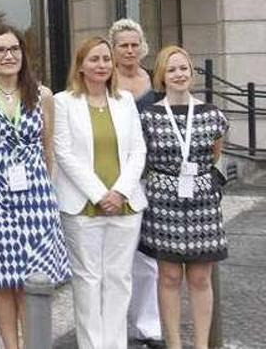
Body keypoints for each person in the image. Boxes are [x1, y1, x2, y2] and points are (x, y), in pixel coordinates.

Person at [0, 25, 72, 349]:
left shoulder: (43, 95)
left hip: (36, 197)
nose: (7, 56)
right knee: (1, 283)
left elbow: (47, 148)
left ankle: (34, 344)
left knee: (32, 281)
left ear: (23, 55)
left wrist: (39, 185)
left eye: (13, 49)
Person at [52, 37, 148, 349]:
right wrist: (99, 194)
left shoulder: (125, 101)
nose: (102, 65)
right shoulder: (63, 101)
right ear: (80, 65)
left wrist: (119, 192)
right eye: (94, 59)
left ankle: (115, 344)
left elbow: (138, 150)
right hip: (83, 207)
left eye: (106, 59)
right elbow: (63, 153)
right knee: (88, 281)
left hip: (125, 206)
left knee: (119, 279)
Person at [138, 46, 229, 349]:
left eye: (184, 68)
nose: (179, 74)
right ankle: (174, 344)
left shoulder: (212, 113)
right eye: (172, 69)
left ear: (192, 72)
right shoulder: (149, 116)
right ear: (161, 75)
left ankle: (202, 345)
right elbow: (143, 158)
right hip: (163, 201)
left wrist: (212, 183)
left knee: (201, 277)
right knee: (169, 276)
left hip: (202, 201)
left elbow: (216, 154)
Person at [108, 18, 162, 347]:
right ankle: (117, 325)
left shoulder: (155, 79)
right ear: (112, 49)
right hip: (116, 176)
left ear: (142, 47)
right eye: (123, 45)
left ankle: (148, 326)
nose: (129, 51)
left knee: (149, 256)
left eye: (134, 44)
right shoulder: (106, 80)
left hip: (154, 175)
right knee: (117, 258)